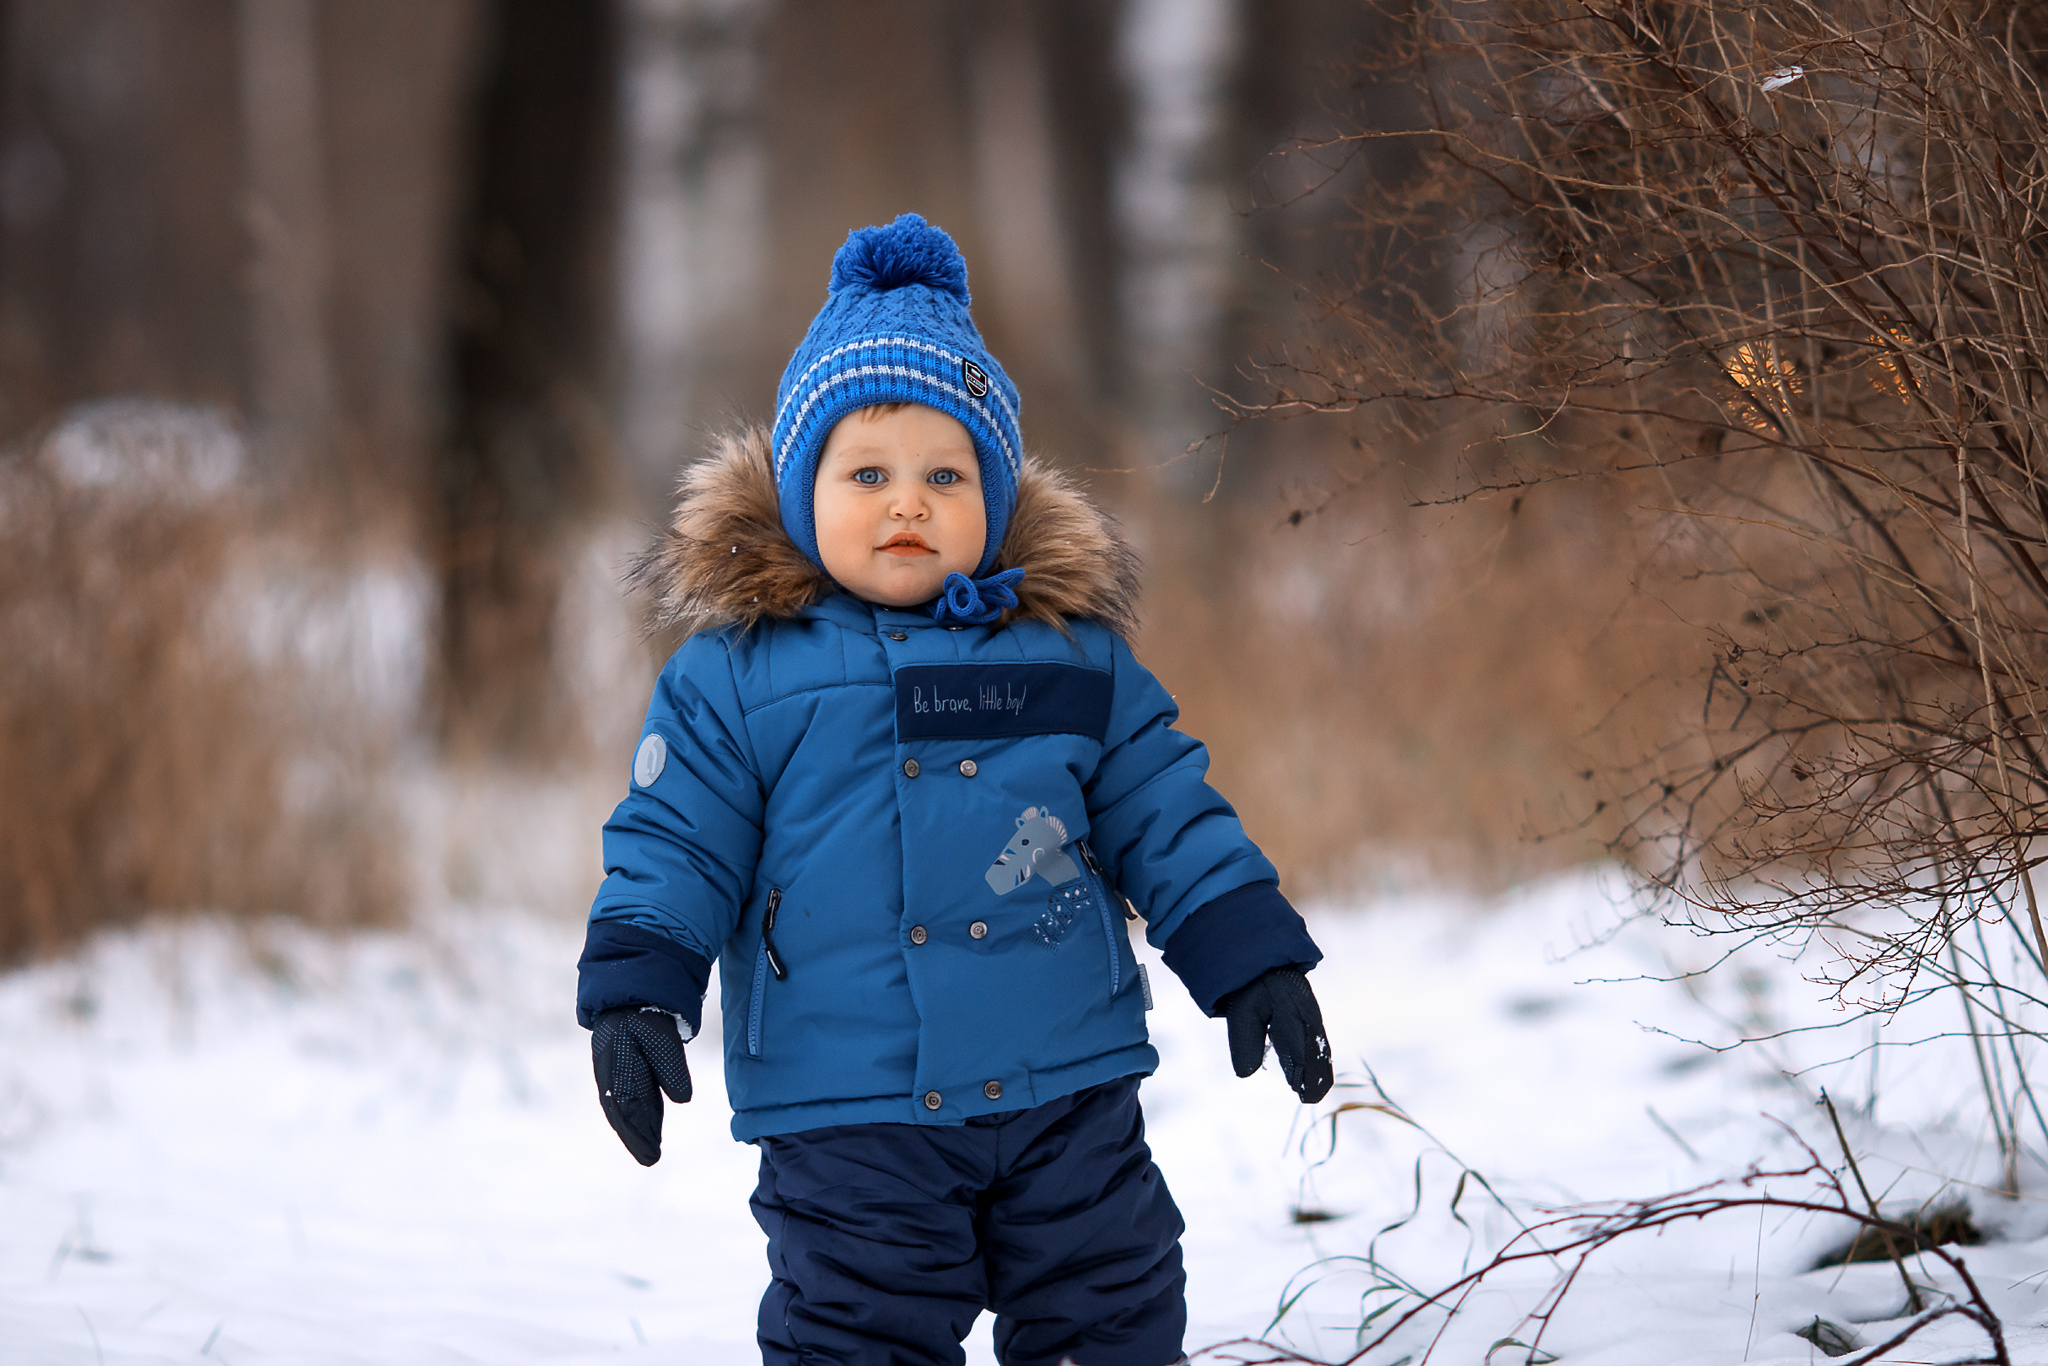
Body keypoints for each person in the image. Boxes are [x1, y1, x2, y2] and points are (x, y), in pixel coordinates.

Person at [576, 214, 1333, 1366]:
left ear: (992, 493)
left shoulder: (1068, 656)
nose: (907, 503)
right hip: (851, 1109)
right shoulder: (735, 676)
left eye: (945, 474)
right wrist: (639, 990)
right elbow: (673, 841)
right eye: (865, 473)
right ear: (797, 489)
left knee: (1112, 1307)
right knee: (856, 1333)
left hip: (1064, 1093)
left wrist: (1246, 951)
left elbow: (1161, 810)